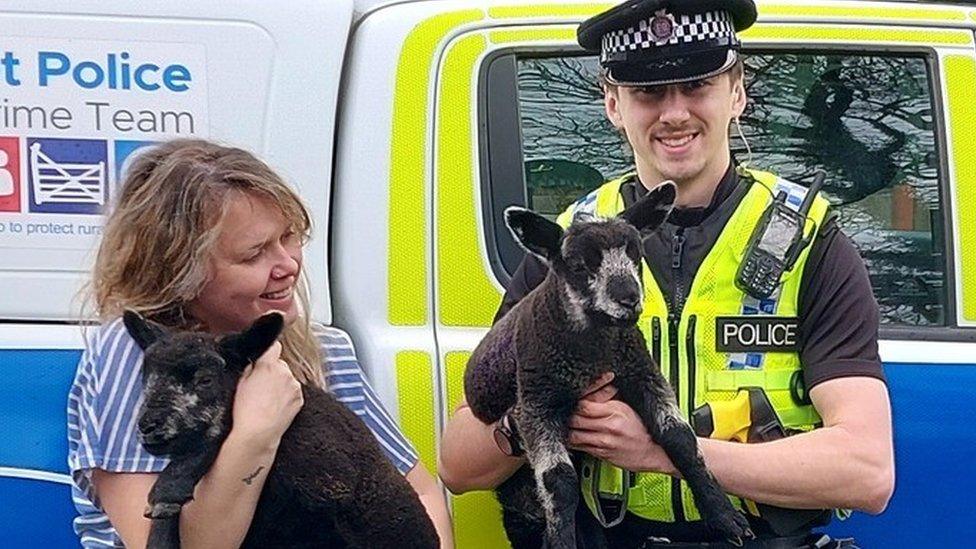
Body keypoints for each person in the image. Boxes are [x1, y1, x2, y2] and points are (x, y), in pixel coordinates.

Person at [439, 0, 894, 546]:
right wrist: (536, 421)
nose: (673, 113)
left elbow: (868, 472)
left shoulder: (809, 242)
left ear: (737, 93)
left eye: (697, 85)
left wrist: (658, 451)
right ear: (613, 104)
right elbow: (458, 465)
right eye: (648, 93)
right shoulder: (566, 249)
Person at [66, 138, 454, 548]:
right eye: (254, 255)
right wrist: (255, 433)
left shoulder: (322, 348)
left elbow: (420, 492)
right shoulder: (137, 353)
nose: (288, 265)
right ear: (182, 273)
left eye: (289, 237)